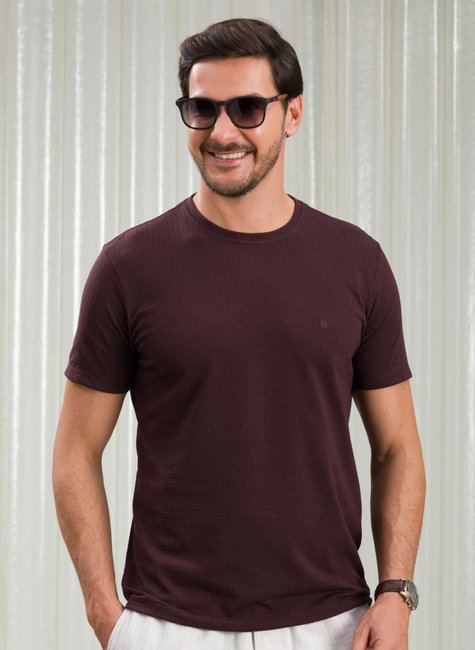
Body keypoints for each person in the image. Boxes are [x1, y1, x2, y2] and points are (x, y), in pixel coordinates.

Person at [52, 17, 426, 650]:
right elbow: (75, 451)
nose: (223, 132)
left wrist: (396, 592)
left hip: (331, 625)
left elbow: (397, 448)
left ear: (292, 114)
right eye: (202, 109)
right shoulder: (128, 268)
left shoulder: (356, 262)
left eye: (248, 108)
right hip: (167, 626)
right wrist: (106, 614)